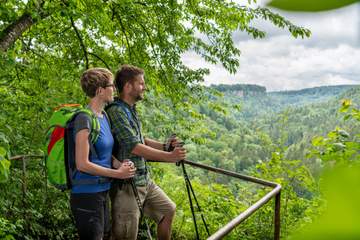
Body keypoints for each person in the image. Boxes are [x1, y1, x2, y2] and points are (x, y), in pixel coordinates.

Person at [106, 64, 186, 240]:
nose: (145, 87)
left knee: (167, 210)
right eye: (141, 83)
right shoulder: (117, 112)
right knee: (125, 235)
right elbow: (135, 146)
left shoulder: (130, 110)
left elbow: (142, 140)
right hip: (126, 185)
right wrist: (170, 157)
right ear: (128, 86)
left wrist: (165, 146)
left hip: (143, 180)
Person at [70, 68, 136, 240]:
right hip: (86, 195)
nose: (114, 88)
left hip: (102, 192)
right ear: (100, 90)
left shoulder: (103, 116)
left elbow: (104, 155)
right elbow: (82, 163)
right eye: (111, 85)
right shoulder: (83, 119)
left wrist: (119, 165)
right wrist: (118, 174)